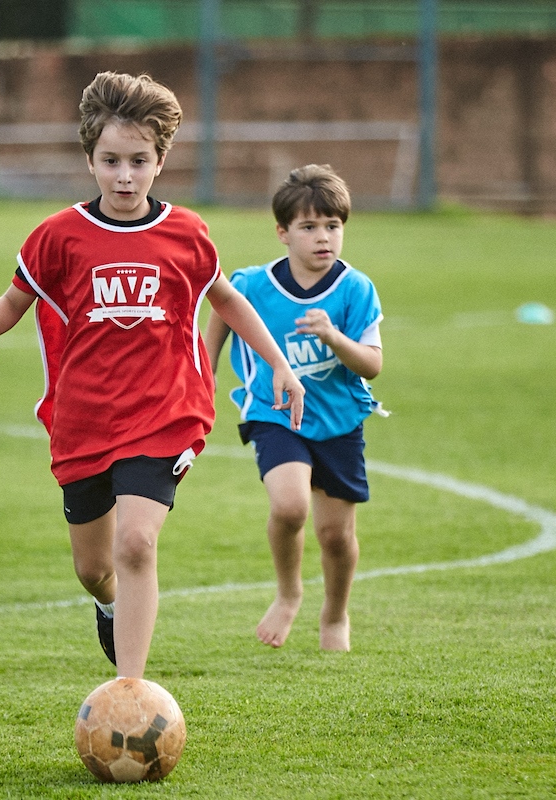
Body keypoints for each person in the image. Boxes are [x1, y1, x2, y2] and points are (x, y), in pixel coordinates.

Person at [0, 71, 305, 679]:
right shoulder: (58, 238)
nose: (124, 176)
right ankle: (108, 606)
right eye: (110, 160)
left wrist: (280, 363)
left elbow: (228, 300)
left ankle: (130, 689)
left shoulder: (186, 235)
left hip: (165, 412)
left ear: (160, 162)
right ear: (90, 160)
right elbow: (15, 300)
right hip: (82, 419)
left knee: (136, 542)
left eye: (139, 161)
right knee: (93, 567)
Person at [204, 164, 384, 652]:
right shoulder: (254, 285)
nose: (323, 237)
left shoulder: (355, 290)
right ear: (283, 232)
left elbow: (371, 365)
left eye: (333, 226)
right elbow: (221, 313)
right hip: (274, 412)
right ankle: (288, 595)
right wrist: (205, 369)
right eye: (309, 227)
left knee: (335, 535)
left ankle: (335, 614)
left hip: (339, 421)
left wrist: (333, 336)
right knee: (289, 505)